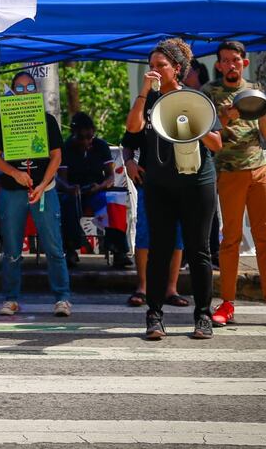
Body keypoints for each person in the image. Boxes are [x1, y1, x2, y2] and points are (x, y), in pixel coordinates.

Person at [124, 38, 222, 341]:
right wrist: (143, 92)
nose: (153, 71)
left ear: (176, 69)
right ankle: (154, 316)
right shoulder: (148, 101)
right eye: (150, 66)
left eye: (160, 66)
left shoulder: (195, 99)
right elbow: (131, 132)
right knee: (159, 251)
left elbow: (217, 144)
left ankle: (203, 316)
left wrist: (196, 125)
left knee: (199, 251)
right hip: (160, 187)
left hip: (197, 184)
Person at [202, 40, 266, 330]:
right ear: (219, 65)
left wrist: (261, 110)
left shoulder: (254, 88)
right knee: (230, 239)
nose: (230, 64)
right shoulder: (210, 92)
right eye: (225, 60)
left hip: (259, 170)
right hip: (229, 172)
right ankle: (227, 304)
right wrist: (226, 116)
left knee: (264, 237)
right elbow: (208, 133)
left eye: (235, 59)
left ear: (244, 62)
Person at [0, 71, 71, 317]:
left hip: (44, 190)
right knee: (12, 248)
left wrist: (43, 182)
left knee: (54, 246)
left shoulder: (47, 120)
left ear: (36, 91)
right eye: (19, 88)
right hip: (12, 192)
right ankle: (11, 298)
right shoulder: (4, 121)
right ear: (12, 91)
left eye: (29, 88)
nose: (24, 92)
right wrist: (14, 173)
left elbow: (56, 156)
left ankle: (62, 298)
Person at [120, 136, 189, 308]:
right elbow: (128, 142)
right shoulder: (145, 110)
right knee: (144, 234)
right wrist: (129, 161)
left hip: (181, 178)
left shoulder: (186, 109)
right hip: (148, 178)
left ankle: (171, 289)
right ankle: (142, 288)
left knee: (178, 236)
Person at [58, 112, 132, 269]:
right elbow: (61, 178)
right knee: (67, 203)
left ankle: (119, 251)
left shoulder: (101, 146)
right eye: (81, 137)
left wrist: (100, 186)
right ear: (74, 134)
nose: (86, 141)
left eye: (89, 137)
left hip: (97, 190)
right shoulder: (66, 148)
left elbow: (111, 176)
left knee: (113, 201)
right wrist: (69, 188)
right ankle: (71, 249)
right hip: (74, 192)